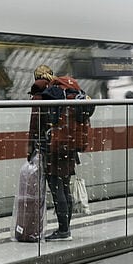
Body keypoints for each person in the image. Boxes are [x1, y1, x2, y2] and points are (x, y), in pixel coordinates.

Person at [27, 64, 76, 241]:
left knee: (56, 188)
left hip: (52, 148)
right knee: (65, 186)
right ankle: (66, 227)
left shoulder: (40, 95)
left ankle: (63, 230)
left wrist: (30, 149)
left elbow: (35, 125)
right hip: (68, 146)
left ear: (36, 77)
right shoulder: (62, 91)